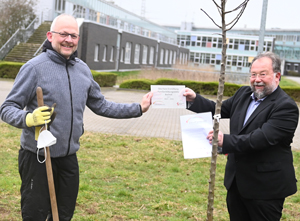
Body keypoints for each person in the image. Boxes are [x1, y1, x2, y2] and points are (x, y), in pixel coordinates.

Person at [0, 14, 152, 221]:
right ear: (50, 35)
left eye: (73, 35)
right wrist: (28, 118)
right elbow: (7, 108)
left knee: (64, 215)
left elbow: (101, 105)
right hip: (38, 157)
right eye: (63, 34)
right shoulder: (34, 68)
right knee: (34, 215)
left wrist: (138, 108)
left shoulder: (82, 70)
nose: (68, 40)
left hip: (68, 158)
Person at [183, 52, 298, 221]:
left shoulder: (286, 107)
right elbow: (217, 110)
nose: (256, 79)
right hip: (236, 183)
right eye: (253, 74)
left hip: (265, 189)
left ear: (277, 76)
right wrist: (193, 100)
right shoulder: (243, 94)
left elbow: (262, 138)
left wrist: (225, 140)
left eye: (263, 74)